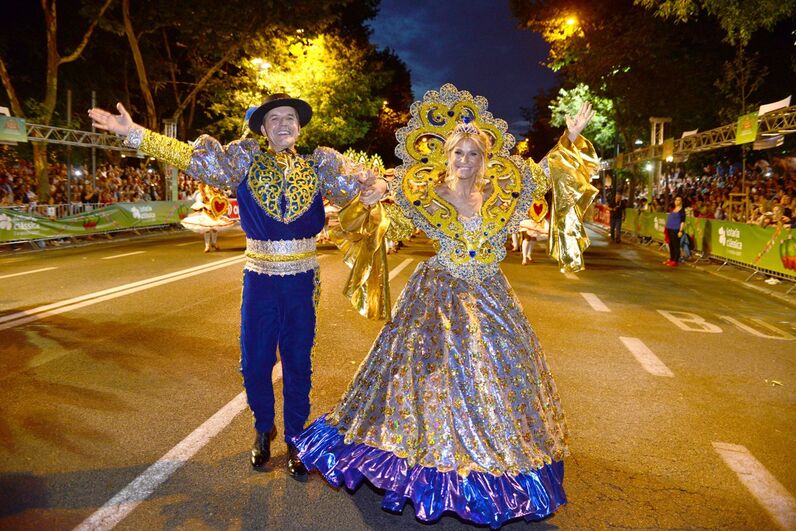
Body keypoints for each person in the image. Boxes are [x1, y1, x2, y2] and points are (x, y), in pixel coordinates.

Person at [290, 84, 598, 527]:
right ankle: (416, 462)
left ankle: (491, 469)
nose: (466, 162)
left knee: (496, 381)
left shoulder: (502, 197)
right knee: (421, 382)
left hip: (492, 297)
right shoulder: (425, 197)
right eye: (459, 154)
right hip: (437, 297)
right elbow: (384, 224)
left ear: (484, 159)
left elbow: (545, 173)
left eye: (474, 154)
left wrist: (569, 139)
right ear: (447, 156)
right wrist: (370, 199)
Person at [88, 93, 386, 480]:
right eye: (274, 118)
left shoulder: (321, 165)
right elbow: (192, 158)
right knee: (255, 362)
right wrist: (136, 134)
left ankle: (298, 438)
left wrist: (375, 187)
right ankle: (264, 427)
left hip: (302, 280)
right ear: (262, 128)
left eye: (290, 118)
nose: (283, 124)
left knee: (299, 362)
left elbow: (361, 188)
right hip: (259, 278)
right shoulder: (242, 162)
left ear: (299, 127)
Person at [180, 182, 237, 252]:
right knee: (206, 229)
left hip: (216, 212)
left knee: (215, 228)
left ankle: (214, 243)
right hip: (206, 211)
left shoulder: (218, 189)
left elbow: (224, 196)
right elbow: (200, 199)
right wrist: (201, 205)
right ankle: (207, 246)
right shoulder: (204, 189)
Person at [664, 195, 685, 267]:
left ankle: (675, 260)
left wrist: (680, 231)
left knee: (676, 245)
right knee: (671, 245)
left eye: (679, 200)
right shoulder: (673, 209)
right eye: (676, 200)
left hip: (676, 229)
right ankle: (671, 258)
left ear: (681, 202)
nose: (677, 201)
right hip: (670, 228)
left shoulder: (682, 210)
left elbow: (682, 222)